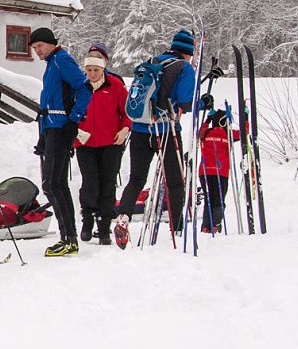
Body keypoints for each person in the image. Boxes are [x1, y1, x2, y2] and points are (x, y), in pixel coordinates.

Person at [113, 29, 199, 243]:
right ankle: (178, 226)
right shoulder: (184, 68)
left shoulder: (153, 62)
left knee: (136, 178)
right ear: (188, 52)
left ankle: (123, 217)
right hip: (166, 130)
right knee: (175, 181)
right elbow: (186, 103)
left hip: (140, 130)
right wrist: (204, 101)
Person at [29, 26, 92, 257]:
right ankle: (68, 237)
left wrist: (73, 120)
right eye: (34, 49)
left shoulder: (61, 60)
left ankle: (69, 238)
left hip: (61, 128)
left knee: (55, 183)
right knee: (52, 184)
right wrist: (43, 135)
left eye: (40, 47)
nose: (37, 52)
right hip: (51, 128)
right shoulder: (51, 64)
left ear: (50, 43)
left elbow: (84, 89)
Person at [74, 44, 130, 246]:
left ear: (103, 68)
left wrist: (125, 129)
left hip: (111, 142)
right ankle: (87, 219)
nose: (92, 74)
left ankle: (105, 225)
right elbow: (70, 113)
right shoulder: (79, 86)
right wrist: (76, 131)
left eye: (96, 70)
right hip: (85, 142)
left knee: (108, 183)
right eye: (88, 70)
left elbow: (127, 113)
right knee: (90, 182)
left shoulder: (115, 86)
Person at [196, 108, 239, 233]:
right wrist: (245, 116)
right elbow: (244, 131)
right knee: (218, 200)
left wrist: (208, 119)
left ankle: (206, 226)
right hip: (221, 172)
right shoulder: (228, 134)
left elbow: (199, 131)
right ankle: (215, 224)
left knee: (209, 199)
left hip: (205, 172)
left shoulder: (206, 132)